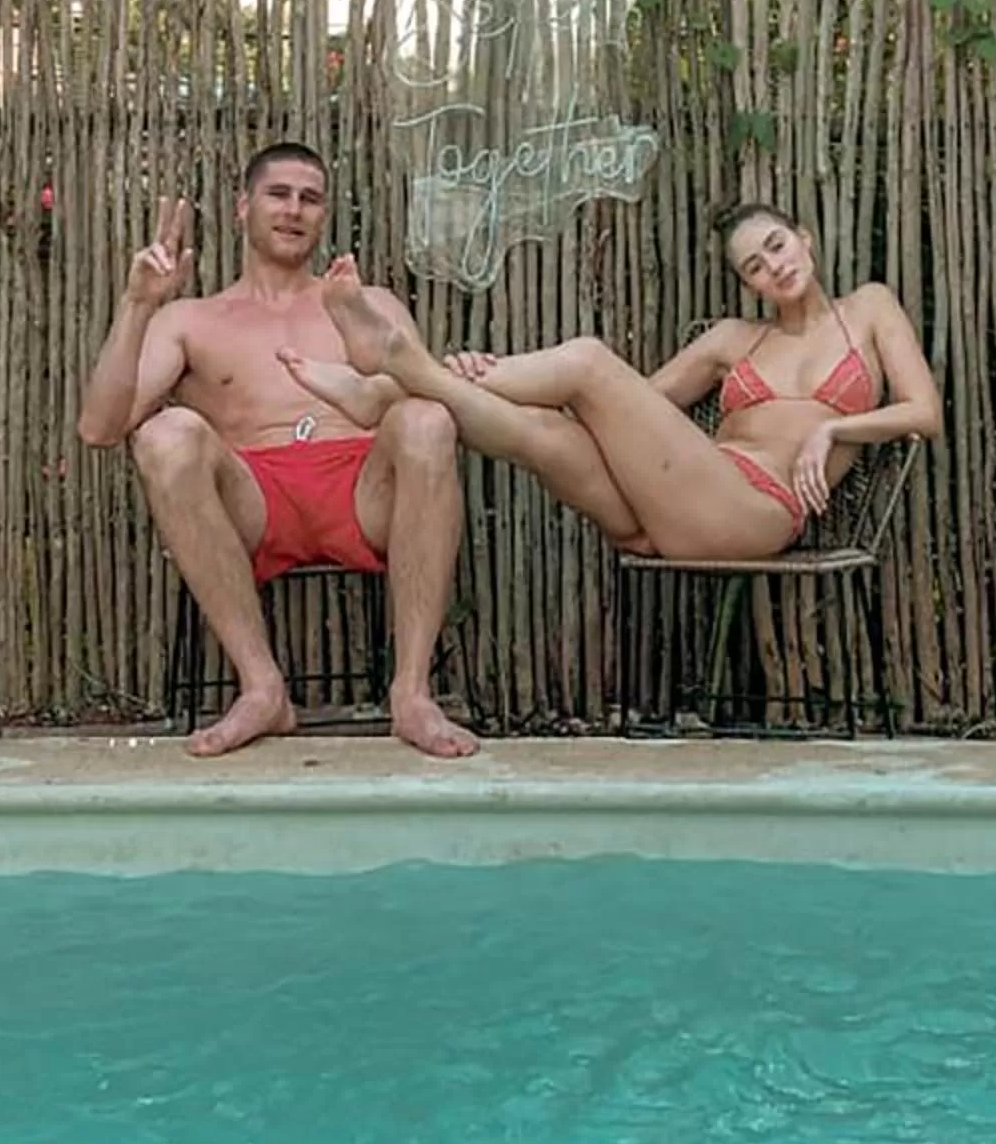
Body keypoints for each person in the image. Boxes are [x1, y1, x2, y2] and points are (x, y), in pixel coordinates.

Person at [75, 143, 476, 759]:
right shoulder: (192, 318)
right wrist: (138, 305)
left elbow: (431, 400)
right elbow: (100, 429)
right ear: (243, 207)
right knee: (163, 433)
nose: (294, 210)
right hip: (252, 500)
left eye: (310, 199)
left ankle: (412, 694)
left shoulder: (368, 304)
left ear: (325, 215)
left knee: (426, 417)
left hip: (363, 492)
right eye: (278, 194)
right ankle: (262, 688)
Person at [283, 199, 940, 563]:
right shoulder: (734, 340)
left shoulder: (870, 308)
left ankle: (396, 380)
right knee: (544, 429)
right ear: (746, 286)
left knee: (590, 362)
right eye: (754, 268)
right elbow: (632, 408)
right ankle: (398, 384)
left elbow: (923, 413)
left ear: (805, 238)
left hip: (754, 512)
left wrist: (835, 428)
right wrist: (503, 382)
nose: (773, 267)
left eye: (776, 246)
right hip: (669, 507)